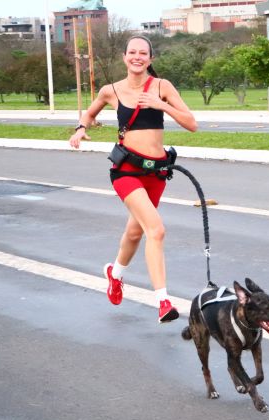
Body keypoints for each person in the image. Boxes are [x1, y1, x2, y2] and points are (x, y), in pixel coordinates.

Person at [69, 35, 197, 323]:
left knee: (135, 232)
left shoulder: (162, 86)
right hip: (126, 171)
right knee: (156, 230)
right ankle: (163, 301)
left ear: (150, 59)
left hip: (156, 173)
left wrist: (160, 104)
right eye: (132, 52)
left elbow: (191, 124)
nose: (137, 57)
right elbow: (90, 113)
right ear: (124, 57)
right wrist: (80, 129)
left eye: (143, 53)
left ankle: (115, 274)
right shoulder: (110, 90)